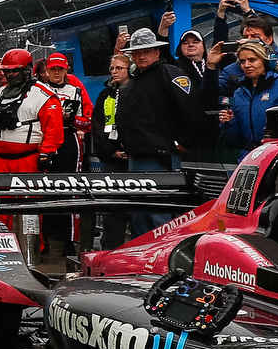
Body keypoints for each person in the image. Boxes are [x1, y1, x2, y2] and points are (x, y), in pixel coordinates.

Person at [113, 29, 211, 236]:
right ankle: (142, 261)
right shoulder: (131, 83)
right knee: (139, 213)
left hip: (162, 158)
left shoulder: (170, 73)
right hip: (136, 158)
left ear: (157, 52)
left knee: (160, 214)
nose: (141, 56)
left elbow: (192, 109)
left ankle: (164, 262)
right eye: (136, 52)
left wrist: (181, 143)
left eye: (146, 51)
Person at [0, 48, 64, 235]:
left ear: (27, 70)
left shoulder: (43, 95)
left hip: (28, 160)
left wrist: (46, 153)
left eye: (13, 71)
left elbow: (53, 128)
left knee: (29, 207)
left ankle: (32, 247)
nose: (9, 75)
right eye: (6, 71)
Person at [38, 52, 92, 254]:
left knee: (69, 188)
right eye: (53, 69)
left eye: (60, 69)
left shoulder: (76, 89)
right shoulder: (38, 90)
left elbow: (87, 119)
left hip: (69, 141)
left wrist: (72, 120)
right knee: (44, 190)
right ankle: (44, 241)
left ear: (66, 69)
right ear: (47, 71)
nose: (57, 73)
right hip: (44, 140)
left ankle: (69, 241)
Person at [223, 40, 278, 156]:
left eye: (252, 60)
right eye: (242, 61)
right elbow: (235, 140)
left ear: (266, 61)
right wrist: (229, 122)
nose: (246, 65)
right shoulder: (239, 93)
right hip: (249, 157)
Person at [85, 53, 131, 248]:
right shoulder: (105, 94)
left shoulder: (137, 91)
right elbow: (97, 126)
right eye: (112, 68)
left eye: (119, 68)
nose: (114, 72)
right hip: (111, 160)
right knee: (112, 211)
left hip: (135, 160)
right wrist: (111, 151)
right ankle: (110, 250)